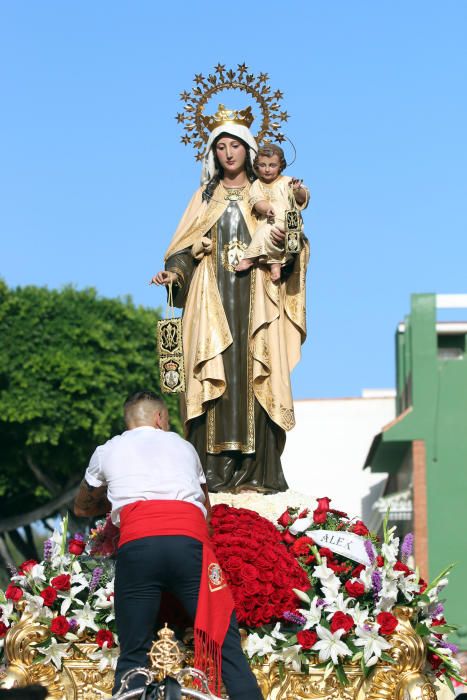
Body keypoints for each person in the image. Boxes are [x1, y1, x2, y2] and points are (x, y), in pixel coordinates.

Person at [152, 111, 309, 494]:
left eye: (234, 145)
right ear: (213, 153)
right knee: (214, 374)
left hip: (259, 303)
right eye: (220, 147)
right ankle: (214, 474)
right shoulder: (204, 198)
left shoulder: (270, 192)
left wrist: (287, 247)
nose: (227, 153)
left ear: (248, 149)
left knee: (259, 372)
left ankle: (259, 473)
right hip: (212, 304)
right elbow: (182, 249)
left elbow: (294, 238)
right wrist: (174, 272)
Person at [74, 390, 263, 699]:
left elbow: (82, 507)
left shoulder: (107, 449)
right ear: (161, 418)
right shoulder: (184, 447)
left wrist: (122, 501)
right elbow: (206, 507)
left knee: (133, 655)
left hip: (138, 547)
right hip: (190, 546)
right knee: (227, 649)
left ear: (128, 420)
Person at [235, 144, 309, 282]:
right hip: (271, 218)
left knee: (270, 234)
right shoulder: (257, 184)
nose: (267, 169)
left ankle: (249, 258)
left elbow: (303, 198)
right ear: (256, 166)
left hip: (290, 220)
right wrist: (266, 209)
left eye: (272, 165)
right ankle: (274, 265)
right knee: (266, 233)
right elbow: (257, 201)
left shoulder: (287, 181)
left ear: (280, 165)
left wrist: (297, 190)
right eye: (263, 165)